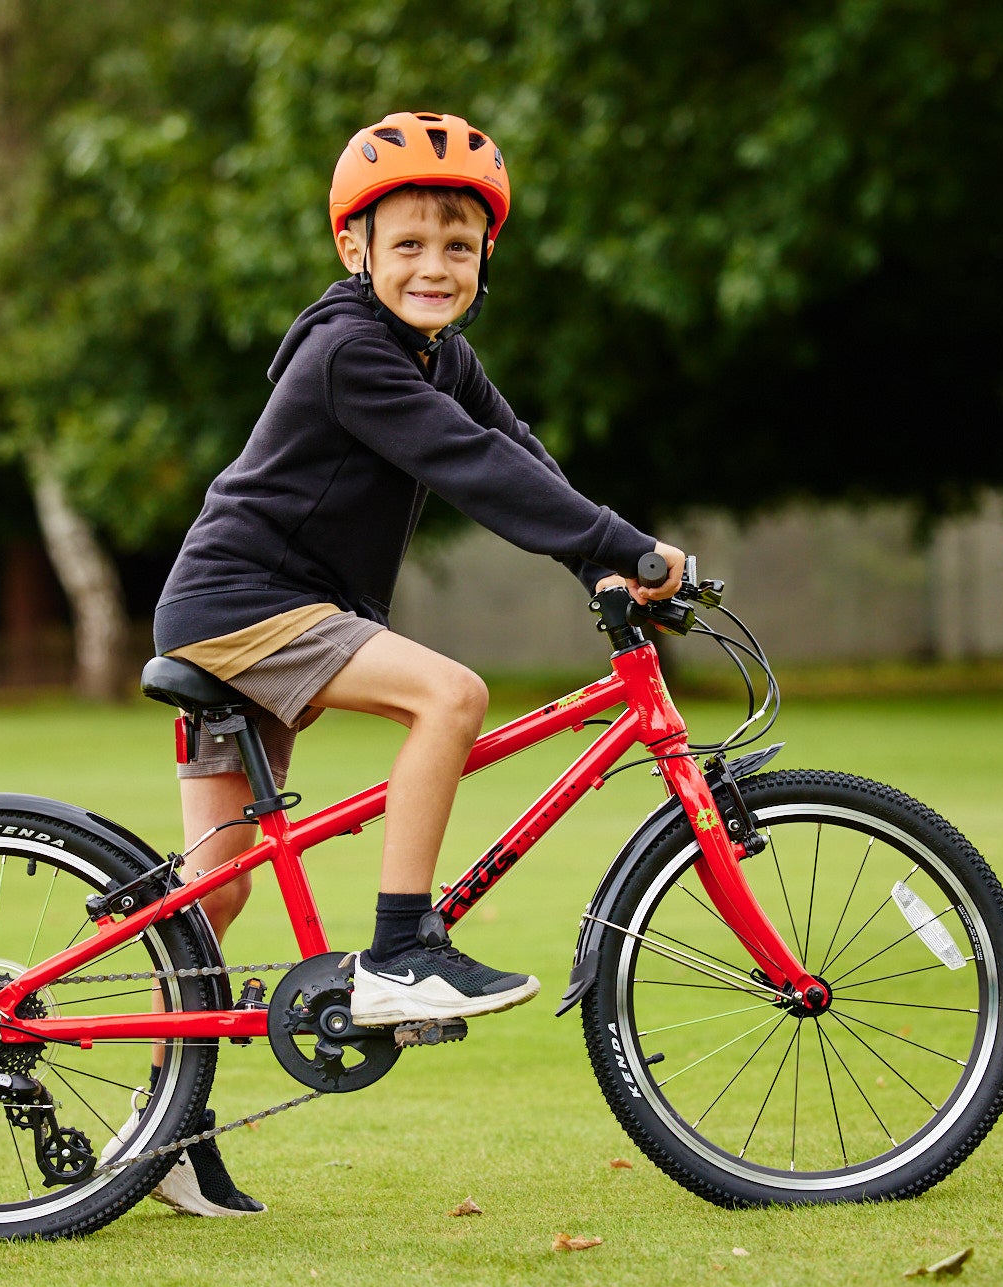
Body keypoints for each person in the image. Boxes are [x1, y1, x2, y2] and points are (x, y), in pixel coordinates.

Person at [122, 112, 684, 1217]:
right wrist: (624, 543)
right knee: (451, 692)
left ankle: (160, 1128)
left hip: (248, 610)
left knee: (216, 886)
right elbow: (466, 465)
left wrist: (600, 564)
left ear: (486, 261)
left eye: (458, 246)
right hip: (247, 607)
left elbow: (514, 450)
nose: (435, 265)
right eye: (409, 243)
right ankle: (398, 950)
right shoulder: (349, 352)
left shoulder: (440, 353)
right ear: (355, 250)